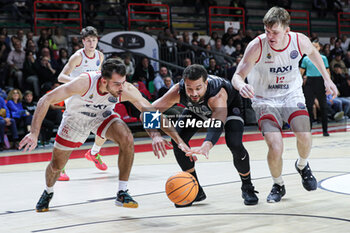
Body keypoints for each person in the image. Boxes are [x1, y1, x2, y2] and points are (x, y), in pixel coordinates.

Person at [19, 58, 191, 212]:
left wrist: (174, 139)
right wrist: (34, 133)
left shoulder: (125, 89)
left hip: (102, 116)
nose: (121, 88)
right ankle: (48, 191)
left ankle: (122, 192)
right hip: (74, 120)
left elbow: (151, 113)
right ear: (103, 81)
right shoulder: (84, 82)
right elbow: (45, 100)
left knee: (127, 138)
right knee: (56, 166)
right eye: (117, 84)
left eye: (123, 82)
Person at [231, 7, 338, 203]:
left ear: (287, 30)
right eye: (267, 31)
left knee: (305, 135)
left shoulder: (299, 40)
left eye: (275, 32)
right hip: (265, 98)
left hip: (291, 94)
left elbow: (314, 54)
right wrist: (241, 86)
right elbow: (237, 76)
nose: (270, 35)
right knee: (275, 146)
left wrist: (327, 79)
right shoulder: (257, 46)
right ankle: (278, 184)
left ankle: (302, 165)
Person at [153, 64, 259, 207]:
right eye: (189, 89)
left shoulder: (217, 94)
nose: (194, 93)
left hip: (229, 107)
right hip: (197, 109)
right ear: (184, 83)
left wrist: (207, 144)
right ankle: (195, 190)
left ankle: (247, 187)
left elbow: (217, 121)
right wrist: (154, 134)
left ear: (206, 83)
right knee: (178, 141)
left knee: (234, 143)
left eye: (198, 88)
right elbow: (149, 110)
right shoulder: (178, 91)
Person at [57, 26, 106, 178]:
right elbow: (61, 77)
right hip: (75, 97)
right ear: (83, 41)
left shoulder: (100, 56)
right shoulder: (77, 57)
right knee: (71, 133)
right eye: (88, 40)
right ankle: (60, 167)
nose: (92, 43)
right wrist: (79, 82)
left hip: (92, 96)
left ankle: (93, 153)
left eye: (94, 40)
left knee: (106, 124)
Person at [300, 40, 330, 136]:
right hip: (310, 83)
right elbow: (301, 72)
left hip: (320, 82)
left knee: (323, 106)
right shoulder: (306, 59)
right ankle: (308, 129)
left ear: (319, 48)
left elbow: (327, 71)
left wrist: (328, 83)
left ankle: (325, 130)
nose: (314, 48)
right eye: (313, 46)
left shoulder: (323, 58)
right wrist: (299, 84)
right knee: (309, 106)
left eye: (316, 46)